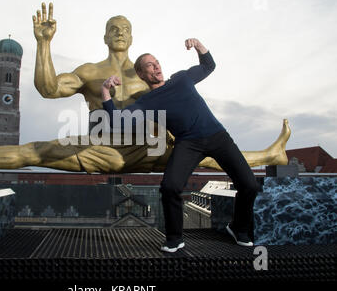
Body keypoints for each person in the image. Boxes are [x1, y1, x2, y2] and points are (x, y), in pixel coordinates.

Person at [0, 4, 291, 175]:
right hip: (105, 149)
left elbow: (188, 91)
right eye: (113, 27)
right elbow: (48, 89)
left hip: (152, 148)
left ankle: (272, 154)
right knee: (37, 151)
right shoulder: (90, 72)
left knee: (212, 156)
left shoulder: (149, 76)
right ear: (105, 36)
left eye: (125, 28)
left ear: (131, 36)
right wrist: (43, 44)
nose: (119, 31)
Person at [101, 38, 260, 251]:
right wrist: (105, 91)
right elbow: (118, 120)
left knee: (249, 185)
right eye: (149, 64)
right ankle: (175, 239)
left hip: (218, 137)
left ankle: (239, 228)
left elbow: (208, 66)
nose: (156, 66)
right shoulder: (149, 101)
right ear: (141, 74)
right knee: (169, 188)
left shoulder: (182, 78)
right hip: (188, 143)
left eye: (156, 61)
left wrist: (198, 45)